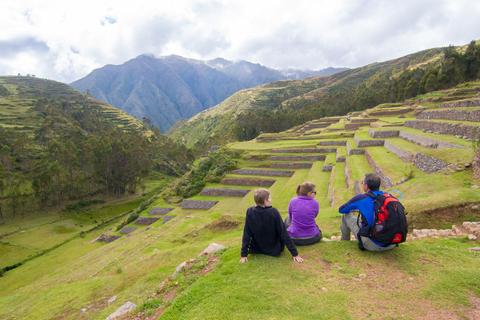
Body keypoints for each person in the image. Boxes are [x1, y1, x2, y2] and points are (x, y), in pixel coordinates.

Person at [240, 188, 304, 263]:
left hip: (257, 248)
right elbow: (283, 233)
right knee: (286, 223)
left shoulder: (250, 211)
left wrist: (243, 254)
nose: (270, 200)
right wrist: (295, 254)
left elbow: (247, 233)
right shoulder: (273, 212)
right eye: (269, 198)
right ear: (265, 201)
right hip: (274, 249)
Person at [338, 173, 397, 251]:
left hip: (373, 245)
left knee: (346, 216)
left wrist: (357, 207)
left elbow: (341, 209)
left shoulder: (361, 198)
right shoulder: (388, 197)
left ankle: (344, 242)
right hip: (391, 243)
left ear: (366, 185)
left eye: (363, 183)